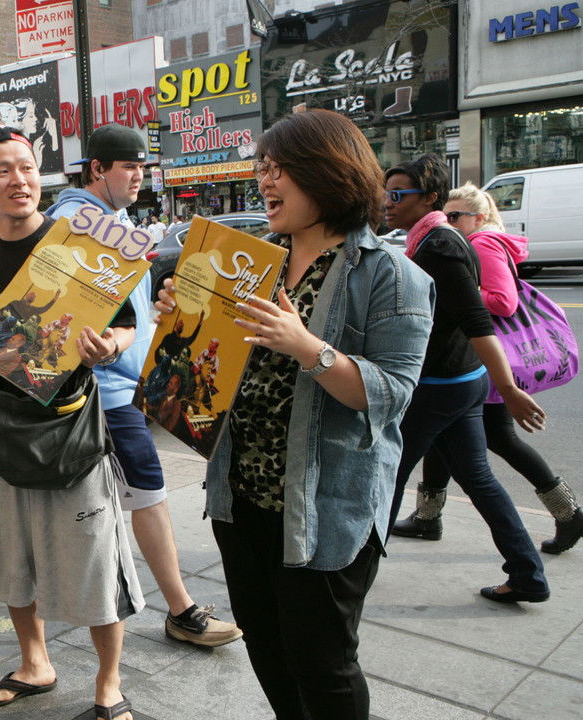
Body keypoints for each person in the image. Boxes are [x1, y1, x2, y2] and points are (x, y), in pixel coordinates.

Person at [157, 109, 434, 719]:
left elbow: (390, 394)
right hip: (240, 499)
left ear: (328, 173)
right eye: (262, 166)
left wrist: (306, 345)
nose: (264, 180)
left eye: (280, 168)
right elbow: (204, 365)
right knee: (271, 651)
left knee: (324, 665)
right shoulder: (249, 258)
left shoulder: (392, 275)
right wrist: (181, 319)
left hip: (324, 509)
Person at [0, 126, 145, 720]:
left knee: (94, 562)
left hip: (73, 437)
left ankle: (109, 684)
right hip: (2, 437)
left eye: (28, 167)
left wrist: (110, 345)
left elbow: (128, 323)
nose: (19, 180)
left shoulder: (85, 244)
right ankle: (35, 662)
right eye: (2, 170)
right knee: (12, 565)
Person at [46, 123, 241, 648]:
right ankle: (179, 610)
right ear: (97, 169)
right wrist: (114, 343)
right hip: (102, 391)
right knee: (145, 492)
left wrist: (157, 313)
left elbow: (126, 308)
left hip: (126, 385)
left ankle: (155, 606)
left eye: (143, 167)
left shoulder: (116, 222)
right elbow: (74, 312)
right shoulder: (77, 221)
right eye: (128, 166)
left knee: (117, 500)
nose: (139, 176)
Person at [383, 155, 551, 604]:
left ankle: (349, 572)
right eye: (387, 192)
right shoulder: (432, 239)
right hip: (459, 380)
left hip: (440, 386)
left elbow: (479, 320)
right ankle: (527, 575)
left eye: (399, 194)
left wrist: (511, 390)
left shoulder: (439, 246)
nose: (388, 202)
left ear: (430, 198)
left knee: (386, 474)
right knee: (479, 479)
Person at [395, 183, 583, 553]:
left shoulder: (480, 242)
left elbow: (502, 301)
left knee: (499, 439)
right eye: (445, 215)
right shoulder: (467, 241)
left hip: (487, 361)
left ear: (478, 218)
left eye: (454, 216)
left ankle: (568, 512)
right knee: (443, 439)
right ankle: (427, 517)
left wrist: (451, 287)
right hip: (472, 361)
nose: (446, 222)